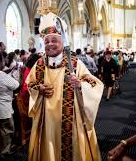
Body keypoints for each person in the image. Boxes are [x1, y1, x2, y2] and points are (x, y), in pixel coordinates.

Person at [26, 12, 104, 161]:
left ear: (62, 42)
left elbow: (96, 84)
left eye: (54, 40)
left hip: (71, 121)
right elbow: (30, 83)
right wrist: (39, 89)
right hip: (46, 122)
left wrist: (80, 85)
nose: (50, 44)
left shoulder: (74, 64)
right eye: (47, 41)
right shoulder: (40, 64)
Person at [0, 52, 19, 155]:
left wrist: (9, 70)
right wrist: (21, 73)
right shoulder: (0, 74)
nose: (4, 61)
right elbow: (16, 85)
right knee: (7, 130)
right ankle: (5, 151)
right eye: (2, 60)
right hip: (3, 107)